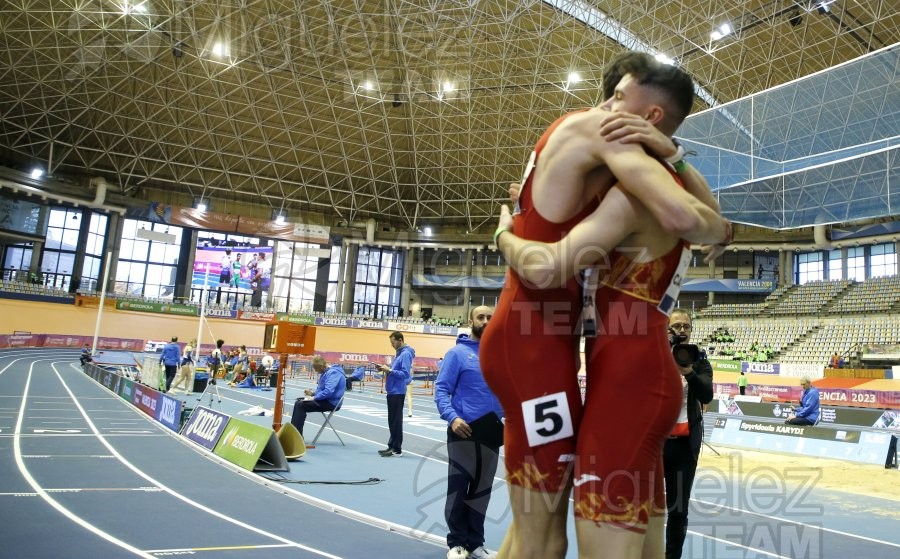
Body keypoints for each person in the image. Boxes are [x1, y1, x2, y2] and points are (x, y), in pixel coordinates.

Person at [480, 52, 730, 559]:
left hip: (554, 347)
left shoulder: (623, 165)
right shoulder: (604, 134)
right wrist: (722, 226)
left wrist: (504, 233)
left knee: (534, 533)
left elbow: (686, 212)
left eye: (619, 98)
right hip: (535, 348)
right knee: (541, 538)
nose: (607, 107)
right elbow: (703, 218)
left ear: (649, 117)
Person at [434, 306, 504, 559]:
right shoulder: (457, 354)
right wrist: (452, 418)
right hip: (463, 431)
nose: (486, 321)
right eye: (481, 317)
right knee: (459, 488)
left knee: (482, 491)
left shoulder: (499, 356)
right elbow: (441, 390)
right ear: (470, 321)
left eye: (490, 318)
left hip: (491, 433)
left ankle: (475, 543)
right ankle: (456, 543)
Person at [663, 309, 713, 559]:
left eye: (686, 326)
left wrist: (689, 371)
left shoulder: (700, 360)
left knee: (678, 510)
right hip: (653, 445)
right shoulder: (656, 357)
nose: (682, 330)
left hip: (684, 447)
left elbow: (707, 395)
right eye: (677, 326)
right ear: (667, 329)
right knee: (643, 505)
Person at [373, 331, 415, 457]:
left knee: (396, 421)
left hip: (398, 392)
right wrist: (385, 369)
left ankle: (397, 449)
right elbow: (396, 371)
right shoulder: (400, 354)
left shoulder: (406, 354)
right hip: (392, 390)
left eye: (393, 342)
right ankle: (391, 446)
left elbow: (405, 374)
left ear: (400, 340)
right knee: (392, 420)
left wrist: (389, 370)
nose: (392, 345)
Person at [289, 355, 346, 438]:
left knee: (300, 405)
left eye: (316, 368)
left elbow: (329, 391)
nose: (315, 371)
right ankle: (293, 434)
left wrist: (314, 398)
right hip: (325, 400)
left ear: (321, 366)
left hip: (332, 403)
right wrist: (312, 394)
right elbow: (323, 390)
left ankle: (297, 437)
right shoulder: (326, 372)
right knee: (298, 402)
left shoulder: (333, 373)